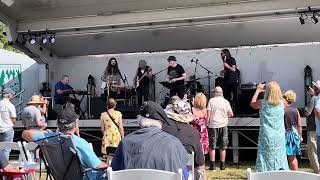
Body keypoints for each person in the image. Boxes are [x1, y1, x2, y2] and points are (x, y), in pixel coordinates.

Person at [111, 101, 189, 180]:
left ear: (139, 122)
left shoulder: (125, 143)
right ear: (161, 123)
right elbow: (185, 176)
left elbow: (114, 173)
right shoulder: (174, 144)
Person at [21, 108, 107, 179]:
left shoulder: (49, 138)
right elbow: (98, 166)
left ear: (57, 124)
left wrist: (48, 133)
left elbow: (25, 133)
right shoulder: (80, 142)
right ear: (75, 124)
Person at [163, 96, 205, 180]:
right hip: (185, 176)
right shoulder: (193, 133)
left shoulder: (160, 130)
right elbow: (200, 165)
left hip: (162, 174)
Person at [250, 82, 288, 172]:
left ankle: (264, 173)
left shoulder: (262, 103)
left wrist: (258, 91)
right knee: (280, 155)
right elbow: (281, 99)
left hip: (266, 135)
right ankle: (280, 172)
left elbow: (252, 103)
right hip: (279, 135)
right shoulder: (283, 103)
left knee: (265, 155)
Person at [206, 86, 233, 170]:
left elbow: (208, 114)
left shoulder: (211, 101)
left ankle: (212, 165)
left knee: (212, 146)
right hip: (223, 125)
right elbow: (231, 114)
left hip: (213, 125)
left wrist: (207, 122)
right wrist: (225, 116)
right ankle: (222, 165)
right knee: (223, 146)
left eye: (214, 92)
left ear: (215, 93)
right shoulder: (226, 102)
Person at [283, 90, 302, 170]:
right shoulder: (296, 110)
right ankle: (295, 176)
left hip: (284, 134)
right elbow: (299, 125)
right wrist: (300, 136)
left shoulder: (282, 110)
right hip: (293, 135)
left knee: (282, 158)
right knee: (293, 158)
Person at [305, 81, 320, 174]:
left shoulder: (314, 98)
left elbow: (307, 112)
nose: (313, 88)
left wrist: (311, 96)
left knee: (313, 153)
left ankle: (318, 172)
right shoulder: (317, 98)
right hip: (316, 129)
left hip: (313, 129)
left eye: (314, 86)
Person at [0, 88, 16, 160]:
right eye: (12, 94)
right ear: (9, 95)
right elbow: (13, 119)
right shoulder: (10, 105)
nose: (12, 95)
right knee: (7, 148)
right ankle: (4, 167)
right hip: (7, 129)